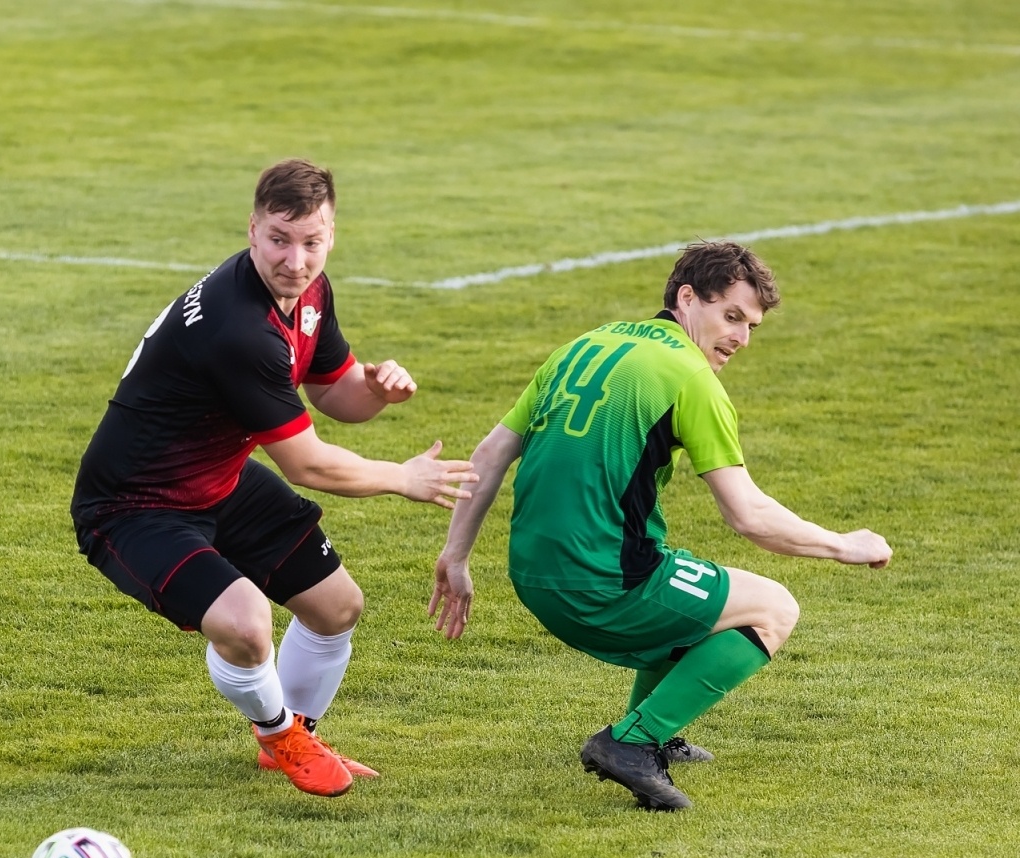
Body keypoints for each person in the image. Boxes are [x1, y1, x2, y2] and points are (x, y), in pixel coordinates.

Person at [428, 241, 892, 810]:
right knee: (773, 608)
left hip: (530, 574)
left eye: (750, 326)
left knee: (687, 574)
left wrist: (456, 557)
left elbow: (491, 452)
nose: (741, 339)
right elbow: (748, 517)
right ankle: (632, 743)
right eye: (731, 317)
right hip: (601, 584)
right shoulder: (689, 375)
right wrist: (845, 545)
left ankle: (648, 728)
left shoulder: (585, 344)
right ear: (687, 297)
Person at [72, 159, 477, 798]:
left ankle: (296, 734)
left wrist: (376, 392)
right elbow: (307, 463)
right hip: (134, 504)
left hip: (219, 478)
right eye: (280, 240)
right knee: (244, 623)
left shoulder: (310, 292)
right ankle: (280, 736)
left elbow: (334, 390)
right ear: (253, 229)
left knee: (336, 606)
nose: (296, 259)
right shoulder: (238, 328)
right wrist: (403, 476)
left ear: (331, 234)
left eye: (312, 242)